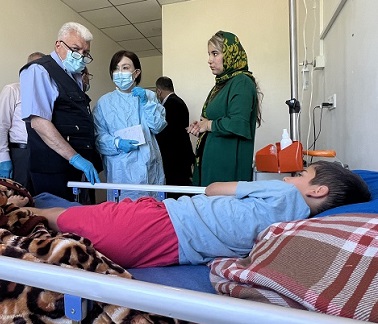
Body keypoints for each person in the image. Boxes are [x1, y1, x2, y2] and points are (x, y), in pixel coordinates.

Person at [21, 161, 371, 269]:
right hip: (177, 253)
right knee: (85, 232)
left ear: (317, 190)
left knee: (71, 219)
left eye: (300, 174)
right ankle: (36, 218)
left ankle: (27, 212)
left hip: (162, 220)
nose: (288, 177)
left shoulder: (281, 193)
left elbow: (214, 188)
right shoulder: (295, 230)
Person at [19, 22, 102, 202]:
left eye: (85, 53)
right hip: (52, 167)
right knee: (56, 221)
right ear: (58, 45)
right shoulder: (39, 70)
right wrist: (75, 158)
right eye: (75, 49)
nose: (80, 56)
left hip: (72, 167)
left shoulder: (75, 76)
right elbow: (39, 122)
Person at [187, 31, 262, 187]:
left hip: (227, 169)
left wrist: (208, 125)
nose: (210, 60)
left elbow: (238, 123)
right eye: (209, 54)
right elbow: (217, 121)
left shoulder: (241, 82)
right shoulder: (222, 84)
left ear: (230, 54)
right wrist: (203, 126)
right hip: (214, 164)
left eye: (215, 54)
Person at [93, 50, 167, 201]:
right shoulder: (103, 103)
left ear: (136, 72)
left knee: (150, 211)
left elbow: (158, 126)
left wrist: (146, 103)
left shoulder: (149, 96)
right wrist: (116, 143)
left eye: (125, 68)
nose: (120, 72)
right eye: (116, 68)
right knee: (123, 214)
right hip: (120, 170)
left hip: (149, 168)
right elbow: (98, 137)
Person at [0, 52, 45, 194]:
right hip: (20, 154)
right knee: (19, 197)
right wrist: (3, 157)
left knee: (40, 197)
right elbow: (2, 124)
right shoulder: (13, 90)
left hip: (41, 153)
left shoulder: (46, 96)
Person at [155, 76, 195, 198]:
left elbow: (167, 133)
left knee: (176, 193)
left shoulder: (170, 105)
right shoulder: (179, 101)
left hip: (175, 159)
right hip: (181, 156)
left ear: (159, 91)